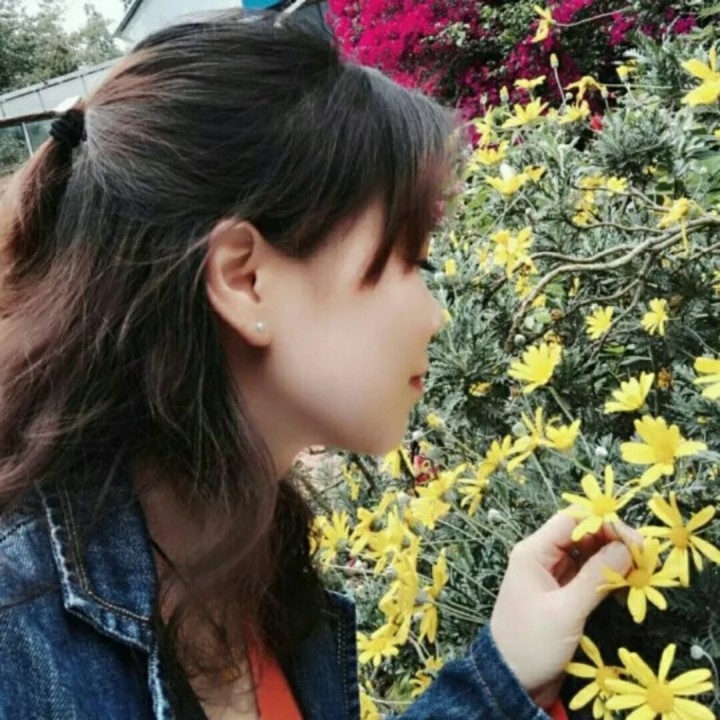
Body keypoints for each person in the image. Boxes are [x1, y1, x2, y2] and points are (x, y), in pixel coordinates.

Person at [0, 8, 639, 720]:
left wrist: (503, 676)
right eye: (412, 260)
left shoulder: (246, 561)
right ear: (246, 281)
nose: (435, 314)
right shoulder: (18, 642)